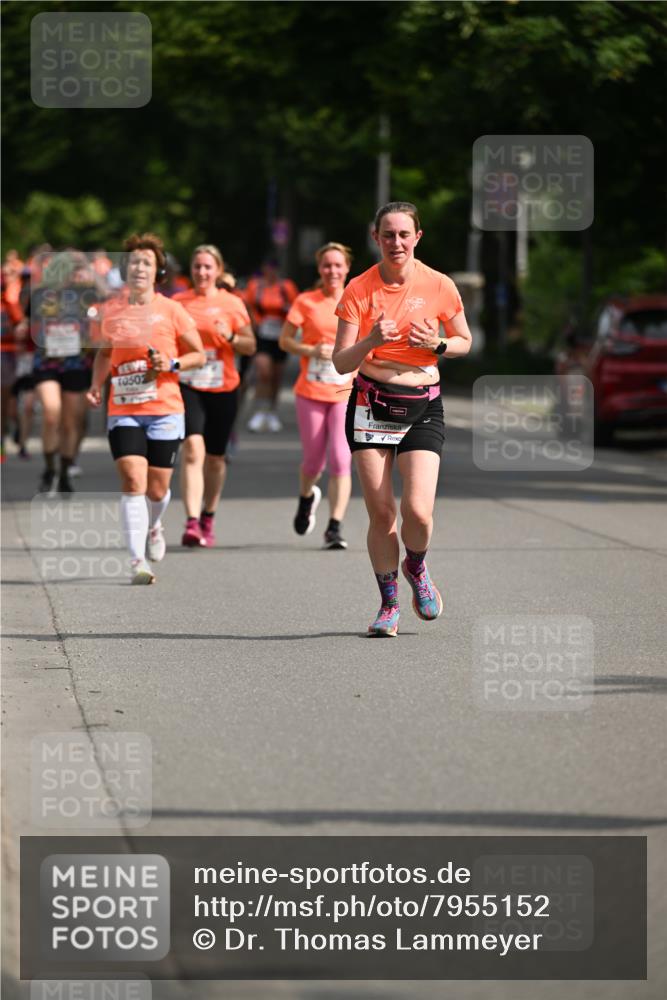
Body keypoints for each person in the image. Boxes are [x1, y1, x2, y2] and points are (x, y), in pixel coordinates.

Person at [333, 202, 472, 636]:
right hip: (371, 403)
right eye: (388, 235)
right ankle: (389, 603)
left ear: (417, 237)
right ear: (376, 238)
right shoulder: (359, 289)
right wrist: (371, 339)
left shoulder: (439, 284)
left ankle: (416, 565)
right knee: (381, 512)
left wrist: (440, 344)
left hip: (422, 404)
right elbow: (340, 361)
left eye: (403, 234)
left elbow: (465, 339)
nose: (396, 242)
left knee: (419, 512)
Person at [86, 233, 205, 584]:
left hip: (165, 408)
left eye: (147, 263)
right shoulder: (111, 310)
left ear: (158, 272)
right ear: (127, 269)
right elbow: (104, 354)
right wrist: (96, 385)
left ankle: (154, 525)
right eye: (135, 262)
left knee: (156, 490)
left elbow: (197, 354)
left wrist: (170, 364)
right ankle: (138, 560)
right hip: (123, 408)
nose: (140, 268)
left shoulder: (172, 310)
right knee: (133, 481)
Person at [173, 244, 256, 547]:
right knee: (193, 449)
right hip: (188, 383)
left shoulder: (232, 303)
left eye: (208, 267)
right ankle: (192, 521)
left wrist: (231, 337)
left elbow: (250, 346)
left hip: (223, 386)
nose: (202, 272)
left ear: (218, 271)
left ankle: (208, 515)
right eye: (197, 267)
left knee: (216, 457)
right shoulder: (178, 302)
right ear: (191, 270)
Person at [279, 242, 354, 549]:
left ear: (347, 268)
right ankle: (307, 496)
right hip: (310, 390)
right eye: (327, 265)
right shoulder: (306, 301)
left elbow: (371, 344)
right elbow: (284, 341)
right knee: (313, 462)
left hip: (344, 391)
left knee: (340, 459)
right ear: (319, 269)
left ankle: (334, 527)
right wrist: (311, 349)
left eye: (338, 265)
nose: (332, 271)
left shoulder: (358, 300)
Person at [29, 252, 102, 493]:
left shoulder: (87, 295)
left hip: (76, 363)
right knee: (52, 412)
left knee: (71, 423)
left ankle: (63, 471)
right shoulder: (41, 294)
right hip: (47, 362)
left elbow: (109, 297)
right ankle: (49, 468)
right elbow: (28, 321)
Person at [243, 258, 298, 432]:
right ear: (264, 268)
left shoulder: (286, 287)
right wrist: (254, 322)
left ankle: (271, 411)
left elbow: (296, 308)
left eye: (274, 267)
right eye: (268, 267)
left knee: (276, 375)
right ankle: (260, 410)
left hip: (280, 335)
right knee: (264, 372)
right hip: (262, 335)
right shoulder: (255, 286)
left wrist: (287, 319)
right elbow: (247, 306)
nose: (271, 271)